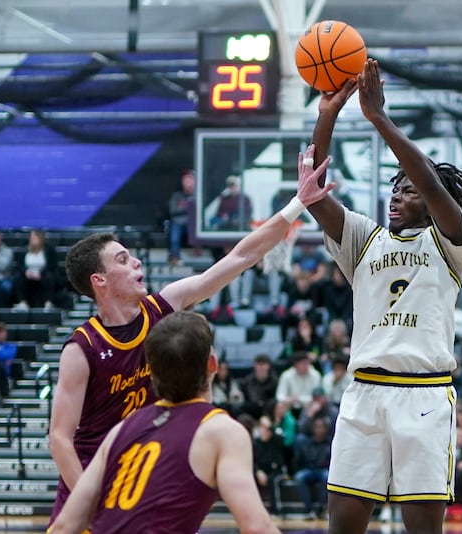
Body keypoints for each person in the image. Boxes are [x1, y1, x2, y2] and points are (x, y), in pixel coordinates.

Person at [48, 145, 334, 524]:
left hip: (140, 480)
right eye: (122, 260)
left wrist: (296, 204)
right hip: (90, 490)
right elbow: (59, 439)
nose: (135, 261)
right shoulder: (82, 348)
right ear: (99, 281)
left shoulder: (162, 306)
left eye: (131, 255)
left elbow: (239, 258)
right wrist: (92, 503)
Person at [308, 59, 462, 534]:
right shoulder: (365, 240)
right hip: (363, 393)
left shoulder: (451, 241)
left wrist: (379, 118)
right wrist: (327, 115)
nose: (396, 196)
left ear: (432, 202)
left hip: (423, 396)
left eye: (408, 192)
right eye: (395, 189)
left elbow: (427, 178)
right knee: (342, 527)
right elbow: (313, 190)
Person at [50, 312, 280, 534]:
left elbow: (63, 527)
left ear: (151, 372)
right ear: (212, 364)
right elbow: (256, 527)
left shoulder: (121, 430)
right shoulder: (221, 430)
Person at [13, 229, 59, 310]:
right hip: (27, 275)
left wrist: (40, 274)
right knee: (18, 277)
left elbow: (52, 266)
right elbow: (19, 265)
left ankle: (48, 302)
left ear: (40, 239)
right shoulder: (24, 250)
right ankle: (22, 302)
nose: (32, 240)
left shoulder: (49, 250)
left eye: (35, 238)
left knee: (49, 277)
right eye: (31, 238)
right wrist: (26, 272)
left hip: (43, 274)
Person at [167, 169, 196, 265]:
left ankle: (198, 251)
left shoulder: (199, 196)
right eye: (185, 181)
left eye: (190, 180)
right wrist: (188, 208)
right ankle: (175, 257)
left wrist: (185, 208)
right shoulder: (177, 196)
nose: (188, 183)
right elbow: (173, 210)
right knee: (174, 236)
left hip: (193, 222)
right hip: (178, 221)